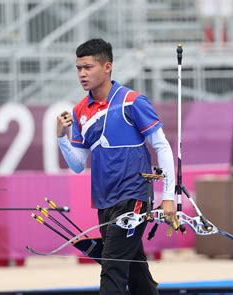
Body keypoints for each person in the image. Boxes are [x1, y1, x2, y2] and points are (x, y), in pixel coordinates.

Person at [56, 39, 176, 294]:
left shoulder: (132, 101)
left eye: (88, 67)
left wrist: (168, 197)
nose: (82, 74)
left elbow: (162, 147)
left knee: (112, 269)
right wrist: (61, 138)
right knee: (134, 270)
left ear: (107, 67)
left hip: (133, 198)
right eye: (78, 68)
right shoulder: (79, 111)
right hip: (104, 202)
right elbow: (77, 165)